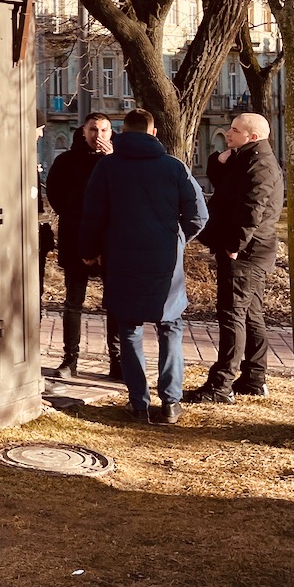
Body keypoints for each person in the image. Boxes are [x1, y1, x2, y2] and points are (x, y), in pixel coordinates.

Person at [77, 109, 208, 424]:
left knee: (130, 328)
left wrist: (89, 251)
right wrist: (176, 239)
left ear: (123, 131)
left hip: (121, 258)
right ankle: (171, 403)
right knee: (171, 327)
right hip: (166, 261)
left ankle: (138, 404)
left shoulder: (108, 167)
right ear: (153, 132)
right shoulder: (174, 168)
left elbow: (92, 215)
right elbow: (199, 216)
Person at [186, 112, 285, 403]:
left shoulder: (260, 166)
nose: (228, 133)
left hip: (246, 252)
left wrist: (234, 245)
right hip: (249, 250)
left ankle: (221, 385)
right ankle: (254, 379)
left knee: (232, 315)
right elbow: (224, 186)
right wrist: (220, 159)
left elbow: (252, 211)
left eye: (234, 130)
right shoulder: (247, 159)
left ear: (252, 137)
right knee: (250, 314)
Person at [44, 112, 123, 378]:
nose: (97, 136)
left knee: (115, 304)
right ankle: (70, 360)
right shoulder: (66, 160)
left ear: (111, 133)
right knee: (73, 302)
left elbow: (127, 193)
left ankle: (117, 361)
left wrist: (113, 160)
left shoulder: (119, 161)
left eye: (103, 130)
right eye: (92, 130)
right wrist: (77, 214)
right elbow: (54, 195)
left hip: (111, 241)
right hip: (75, 239)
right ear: (83, 131)